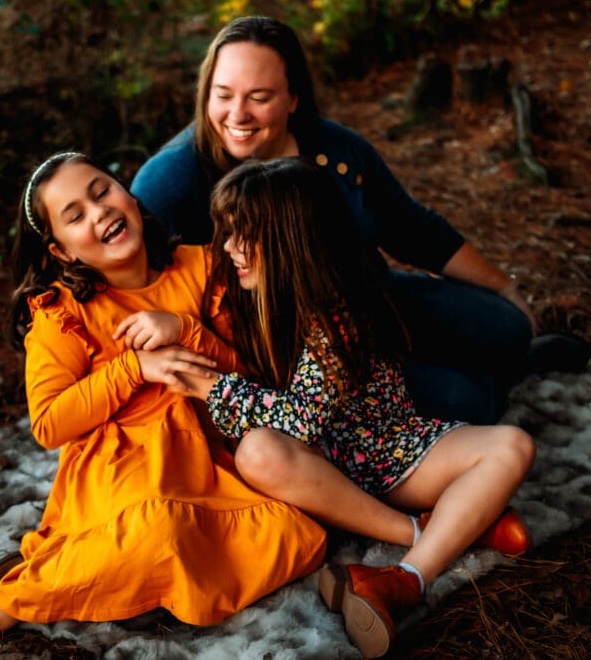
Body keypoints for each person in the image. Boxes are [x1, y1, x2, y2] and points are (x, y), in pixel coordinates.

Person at [0, 152, 327, 659]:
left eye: (102, 191)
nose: (98, 213)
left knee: (300, 535)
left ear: (130, 196)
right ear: (62, 251)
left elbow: (256, 373)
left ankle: (133, 582)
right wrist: (133, 367)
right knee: (158, 529)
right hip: (124, 466)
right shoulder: (63, 313)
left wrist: (185, 331)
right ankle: (6, 604)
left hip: (215, 452)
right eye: (75, 215)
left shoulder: (204, 265)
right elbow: (50, 423)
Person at [131, 15, 590, 425]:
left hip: (371, 298)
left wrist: (504, 287)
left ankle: (500, 358)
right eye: (224, 95)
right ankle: (487, 381)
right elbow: (131, 284)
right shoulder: (171, 182)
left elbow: (411, 227)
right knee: (467, 401)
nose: (238, 114)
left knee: (508, 326)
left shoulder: (336, 150)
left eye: (260, 97)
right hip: (290, 351)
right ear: (206, 92)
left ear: (293, 98)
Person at [169, 157, 536, 658]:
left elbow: (301, 418)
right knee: (259, 452)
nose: (229, 246)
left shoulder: (337, 313)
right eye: (227, 230)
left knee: (512, 445)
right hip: (320, 475)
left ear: (293, 238)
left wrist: (211, 385)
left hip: (390, 455)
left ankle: (406, 576)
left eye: (245, 232)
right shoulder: (253, 297)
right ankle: (443, 528)